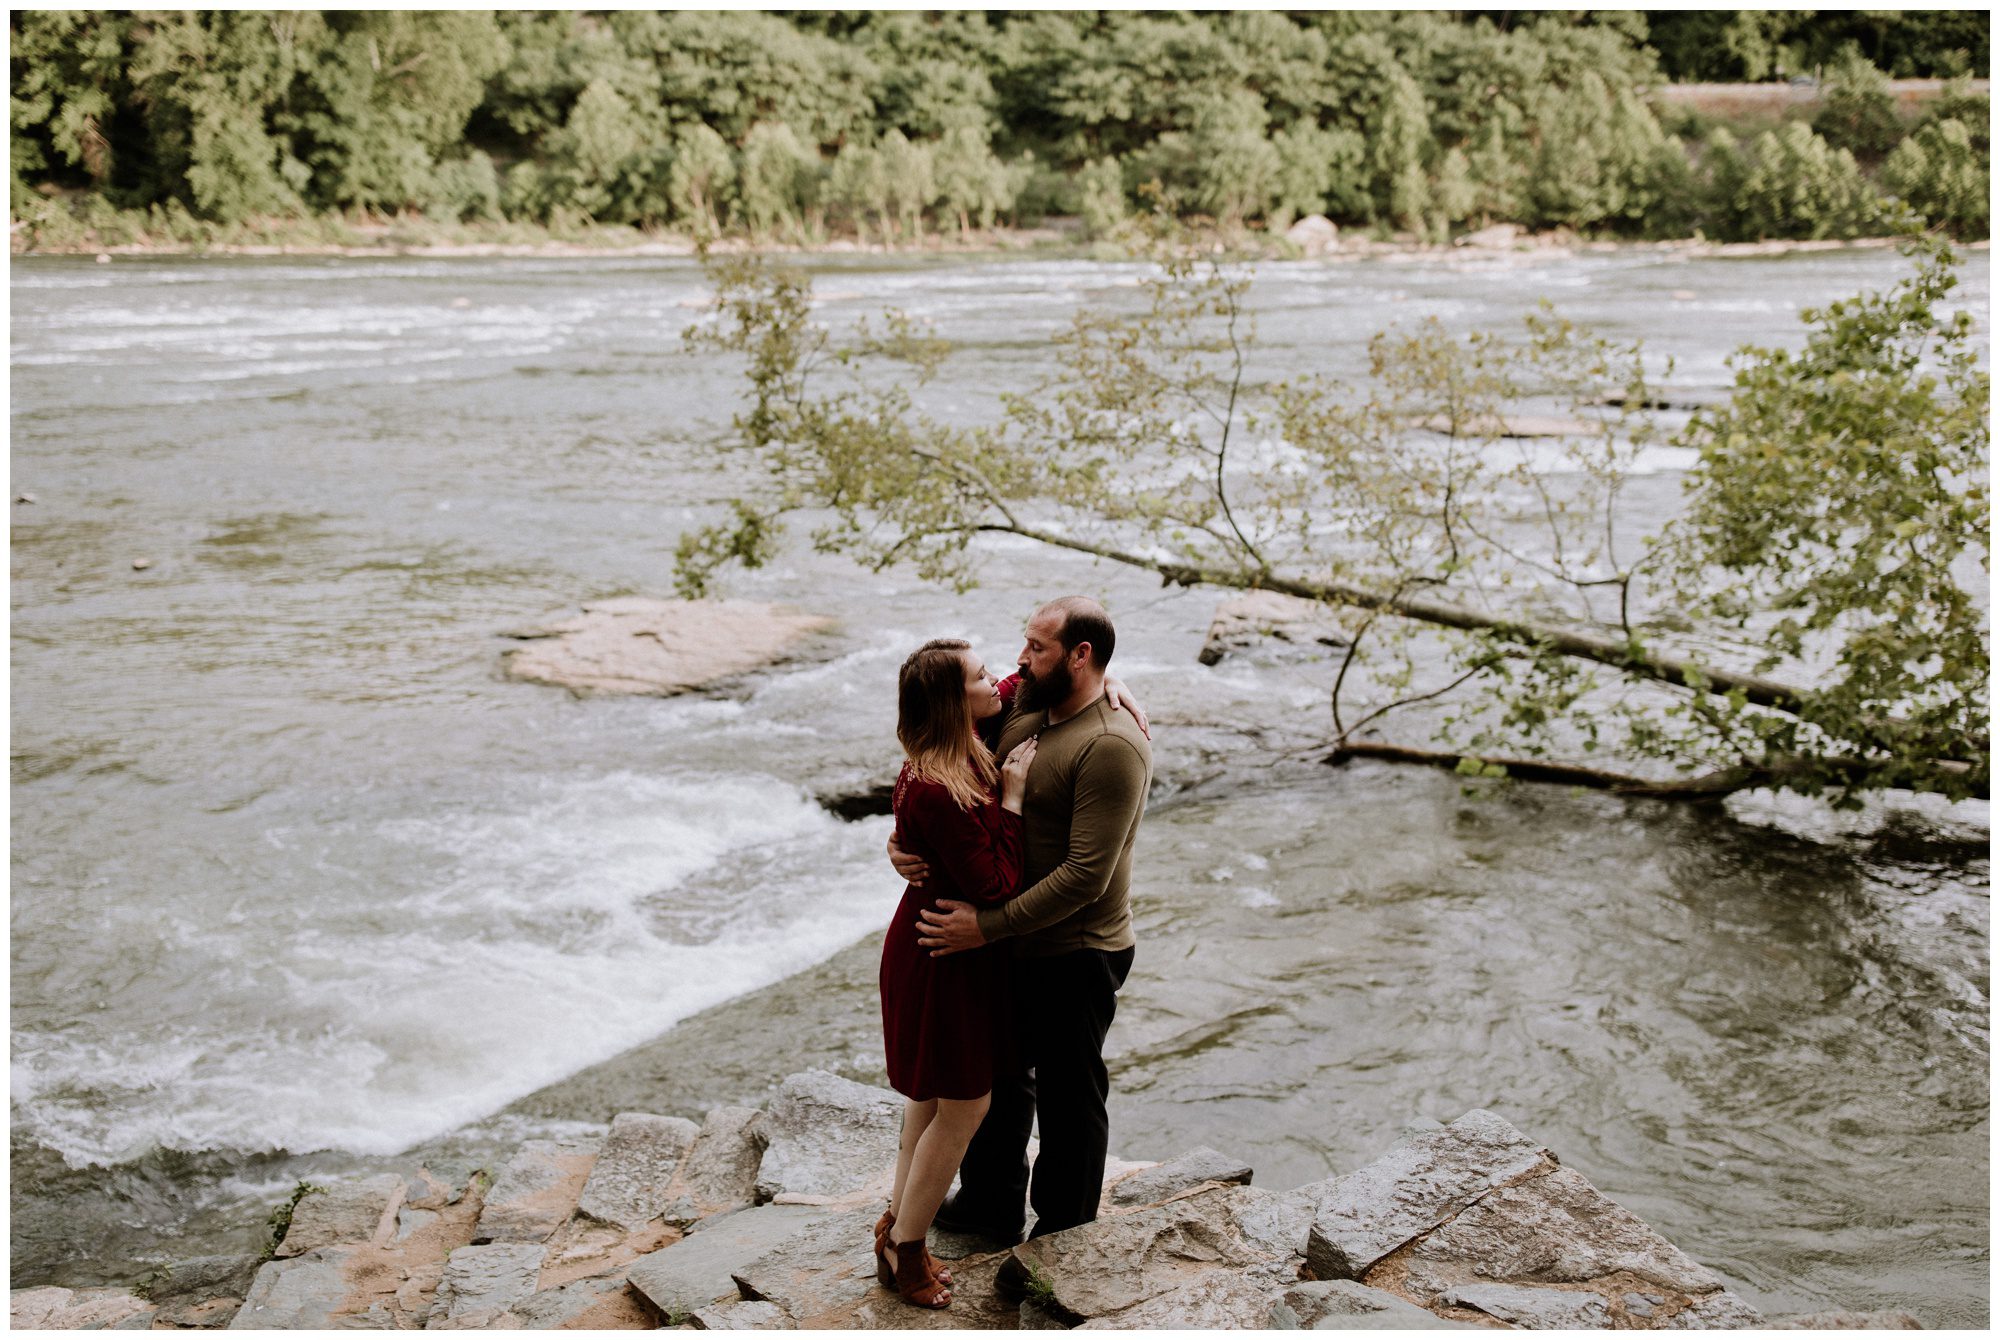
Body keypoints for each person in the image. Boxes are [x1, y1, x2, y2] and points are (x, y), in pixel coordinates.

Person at [898, 596, 1153, 1243]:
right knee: (998, 1082)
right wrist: (903, 842)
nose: (1020, 659)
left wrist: (985, 926)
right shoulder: (1028, 707)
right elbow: (943, 757)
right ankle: (991, 1207)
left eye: (1037, 648)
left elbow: (1085, 877)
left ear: (1080, 656)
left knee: (1069, 1096)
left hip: (1077, 947)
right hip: (1010, 938)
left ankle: (1063, 1234)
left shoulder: (1112, 745)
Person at [875, 638, 1038, 1309]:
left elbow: (1025, 677)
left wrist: (1115, 682)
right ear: (953, 701)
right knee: (964, 1104)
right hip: (942, 957)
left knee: (931, 1098)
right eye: (980, 675)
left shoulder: (945, 752)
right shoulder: (941, 785)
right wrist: (1015, 799)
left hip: (937, 948)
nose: (996, 679)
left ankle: (895, 1231)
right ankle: (909, 1250)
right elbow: (996, 884)